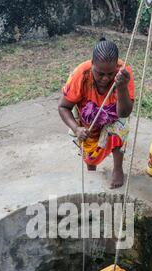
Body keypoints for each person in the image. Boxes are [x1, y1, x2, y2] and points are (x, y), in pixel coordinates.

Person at [58, 38, 135, 189]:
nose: (105, 79)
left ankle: (118, 168)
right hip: (87, 116)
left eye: (110, 73)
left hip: (113, 114)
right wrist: (76, 128)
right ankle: (91, 168)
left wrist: (122, 87)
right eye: (100, 74)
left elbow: (124, 113)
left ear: (116, 67)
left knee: (119, 130)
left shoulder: (123, 74)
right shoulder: (81, 74)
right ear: (92, 63)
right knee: (88, 148)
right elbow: (63, 107)